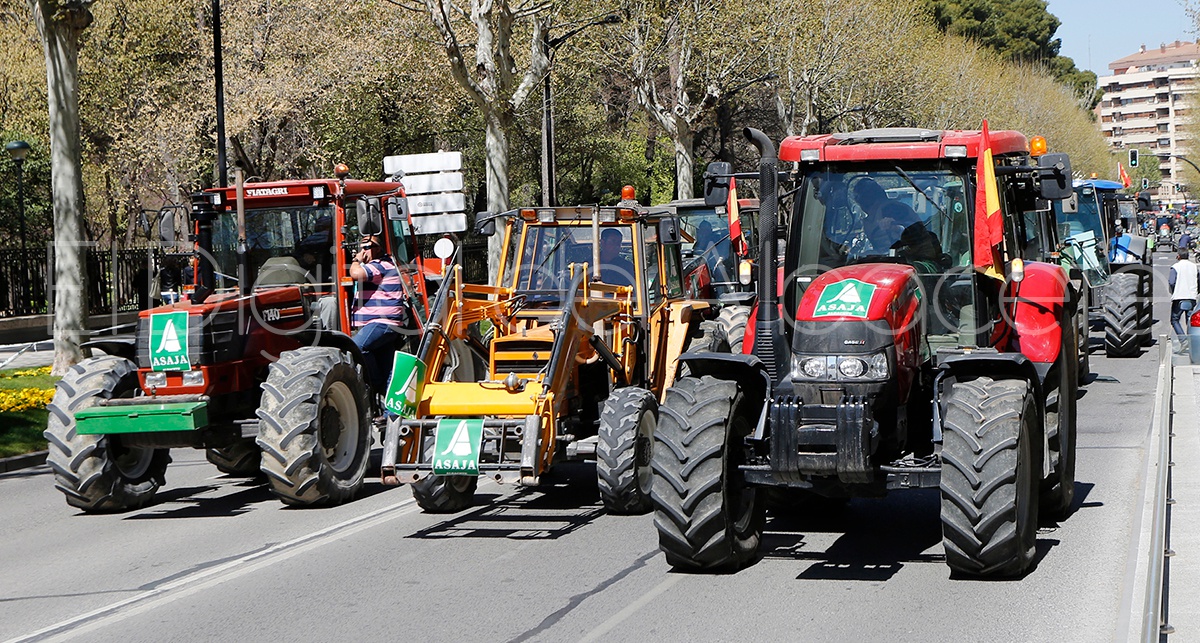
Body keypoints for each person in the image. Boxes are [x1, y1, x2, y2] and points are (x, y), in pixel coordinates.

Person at [350, 234, 411, 391]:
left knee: (357, 347)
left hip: (383, 321)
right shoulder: (381, 265)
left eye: (367, 248)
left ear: (378, 249)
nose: (363, 251)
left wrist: (356, 260)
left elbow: (356, 274)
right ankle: (390, 410)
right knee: (387, 365)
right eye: (361, 247)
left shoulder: (380, 264)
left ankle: (375, 385)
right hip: (384, 323)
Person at [1169, 249, 1199, 354]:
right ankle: (1192, 343)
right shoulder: (1194, 267)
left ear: (1178, 256)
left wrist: (1173, 291)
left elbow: (1171, 282)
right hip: (1192, 297)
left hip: (1179, 297)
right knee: (1190, 321)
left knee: (1174, 320)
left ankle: (1183, 340)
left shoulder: (1176, 267)